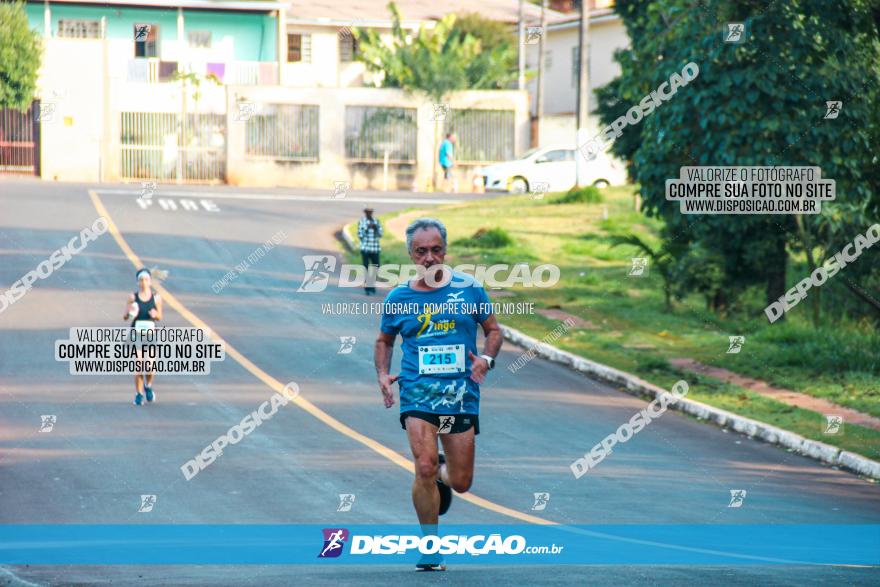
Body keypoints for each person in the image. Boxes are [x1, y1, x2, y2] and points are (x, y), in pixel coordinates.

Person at [374, 218, 502, 571]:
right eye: (421, 251)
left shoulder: (469, 290)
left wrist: (487, 359)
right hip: (418, 395)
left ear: (445, 251)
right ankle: (430, 547)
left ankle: (444, 475)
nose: (429, 258)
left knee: (461, 483)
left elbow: (493, 330)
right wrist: (383, 375)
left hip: (460, 398)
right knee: (424, 466)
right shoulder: (399, 297)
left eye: (436, 250)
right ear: (410, 255)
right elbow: (384, 341)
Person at [124, 268, 163, 405]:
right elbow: (125, 317)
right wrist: (130, 313)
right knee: (139, 363)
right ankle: (139, 394)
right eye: (141, 280)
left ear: (150, 281)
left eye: (146, 279)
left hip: (150, 334)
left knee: (150, 365)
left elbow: (159, 316)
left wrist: (155, 315)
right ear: (137, 282)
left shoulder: (156, 297)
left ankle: (148, 386)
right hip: (137, 334)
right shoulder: (132, 297)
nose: (144, 282)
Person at [357, 207, 383, 295]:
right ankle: (368, 288)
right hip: (365, 249)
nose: (369, 214)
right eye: (368, 213)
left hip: (375, 248)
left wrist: (376, 229)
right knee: (366, 268)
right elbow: (360, 235)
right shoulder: (362, 222)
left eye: (370, 212)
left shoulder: (376, 221)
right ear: (365, 213)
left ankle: (371, 285)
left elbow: (380, 234)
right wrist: (366, 228)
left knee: (376, 267)